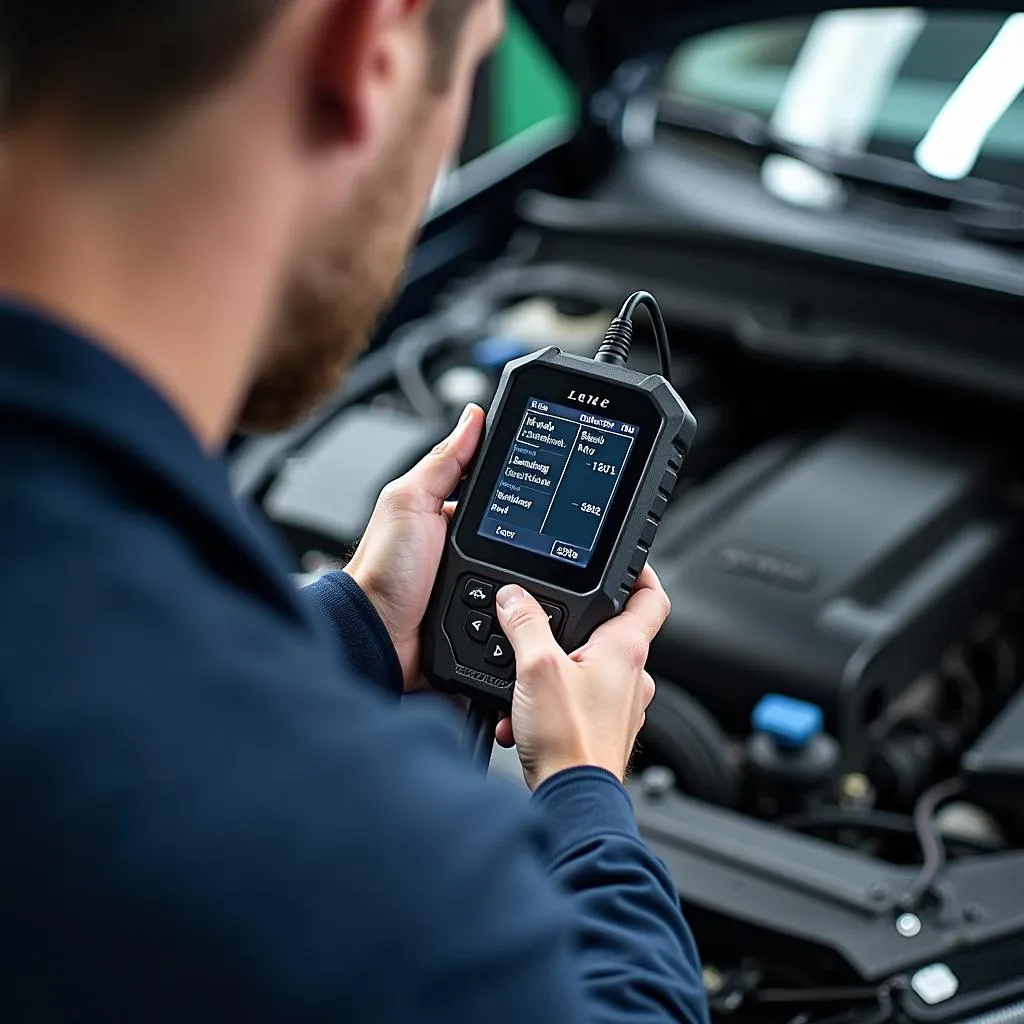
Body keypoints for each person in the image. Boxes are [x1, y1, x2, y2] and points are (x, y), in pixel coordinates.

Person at [0, 0, 708, 1021]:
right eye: (467, 70)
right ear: (369, 45)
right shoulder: (383, 878)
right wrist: (587, 798)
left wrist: (358, 624)